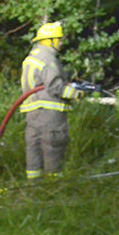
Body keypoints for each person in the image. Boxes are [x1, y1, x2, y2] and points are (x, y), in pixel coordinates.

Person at [19, 21, 85, 179]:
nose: (61, 43)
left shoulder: (31, 58)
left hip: (32, 113)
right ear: (50, 40)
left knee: (34, 147)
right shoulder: (48, 59)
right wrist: (76, 93)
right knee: (53, 146)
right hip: (50, 113)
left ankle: (33, 184)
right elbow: (55, 87)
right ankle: (54, 184)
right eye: (59, 39)